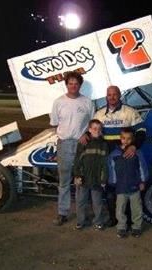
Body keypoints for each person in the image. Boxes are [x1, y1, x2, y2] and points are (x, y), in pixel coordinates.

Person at [93, 85, 146, 227]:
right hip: (108, 159)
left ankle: (129, 220)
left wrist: (134, 146)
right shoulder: (99, 114)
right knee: (110, 189)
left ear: (119, 96)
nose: (112, 97)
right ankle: (114, 219)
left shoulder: (129, 112)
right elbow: (93, 132)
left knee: (128, 189)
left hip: (126, 158)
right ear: (106, 96)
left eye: (115, 94)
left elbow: (141, 131)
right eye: (109, 95)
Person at [50, 71, 95, 226]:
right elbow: (55, 124)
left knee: (81, 180)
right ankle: (62, 213)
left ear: (80, 85)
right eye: (70, 83)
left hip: (82, 146)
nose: (73, 86)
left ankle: (82, 213)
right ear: (66, 85)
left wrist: (87, 135)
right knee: (64, 181)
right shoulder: (58, 102)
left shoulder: (87, 102)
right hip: (64, 145)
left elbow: (93, 125)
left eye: (76, 84)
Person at [108, 128, 148, 238]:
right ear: (120, 139)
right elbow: (111, 169)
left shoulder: (137, 153)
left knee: (137, 208)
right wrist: (113, 182)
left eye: (129, 139)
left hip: (135, 186)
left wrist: (143, 181)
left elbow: (142, 168)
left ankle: (136, 227)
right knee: (120, 209)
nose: (126, 141)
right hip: (121, 187)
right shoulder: (114, 154)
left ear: (132, 140)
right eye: (124, 138)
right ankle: (121, 227)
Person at [73, 119, 109, 230]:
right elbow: (77, 160)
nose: (97, 131)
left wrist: (104, 179)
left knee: (97, 202)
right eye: (94, 129)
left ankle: (98, 221)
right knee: (80, 201)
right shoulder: (83, 143)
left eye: (99, 129)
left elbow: (105, 164)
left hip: (97, 179)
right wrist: (77, 175)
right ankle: (80, 221)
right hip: (83, 178)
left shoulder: (104, 144)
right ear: (89, 130)